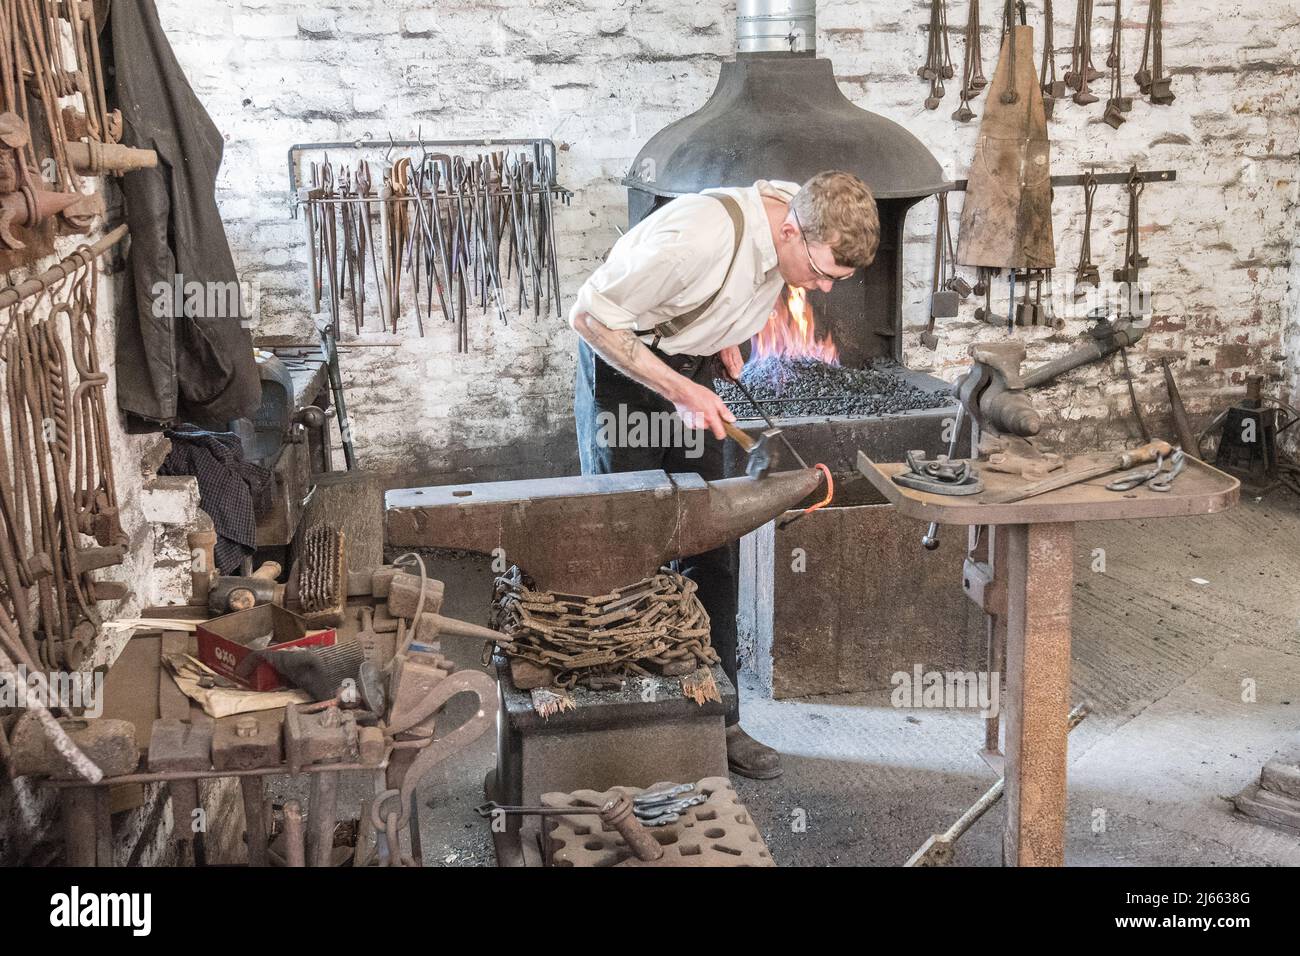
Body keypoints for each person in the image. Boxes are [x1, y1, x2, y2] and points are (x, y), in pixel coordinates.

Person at [570, 170, 880, 778]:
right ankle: (626, 726)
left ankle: (718, 717)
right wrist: (682, 388)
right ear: (790, 231)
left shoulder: (803, 211)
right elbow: (589, 317)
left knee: (712, 545)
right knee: (627, 548)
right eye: (819, 274)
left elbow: (740, 287)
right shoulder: (696, 237)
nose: (819, 289)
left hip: (691, 365)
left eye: (833, 282)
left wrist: (724, 337)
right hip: (625, 373)